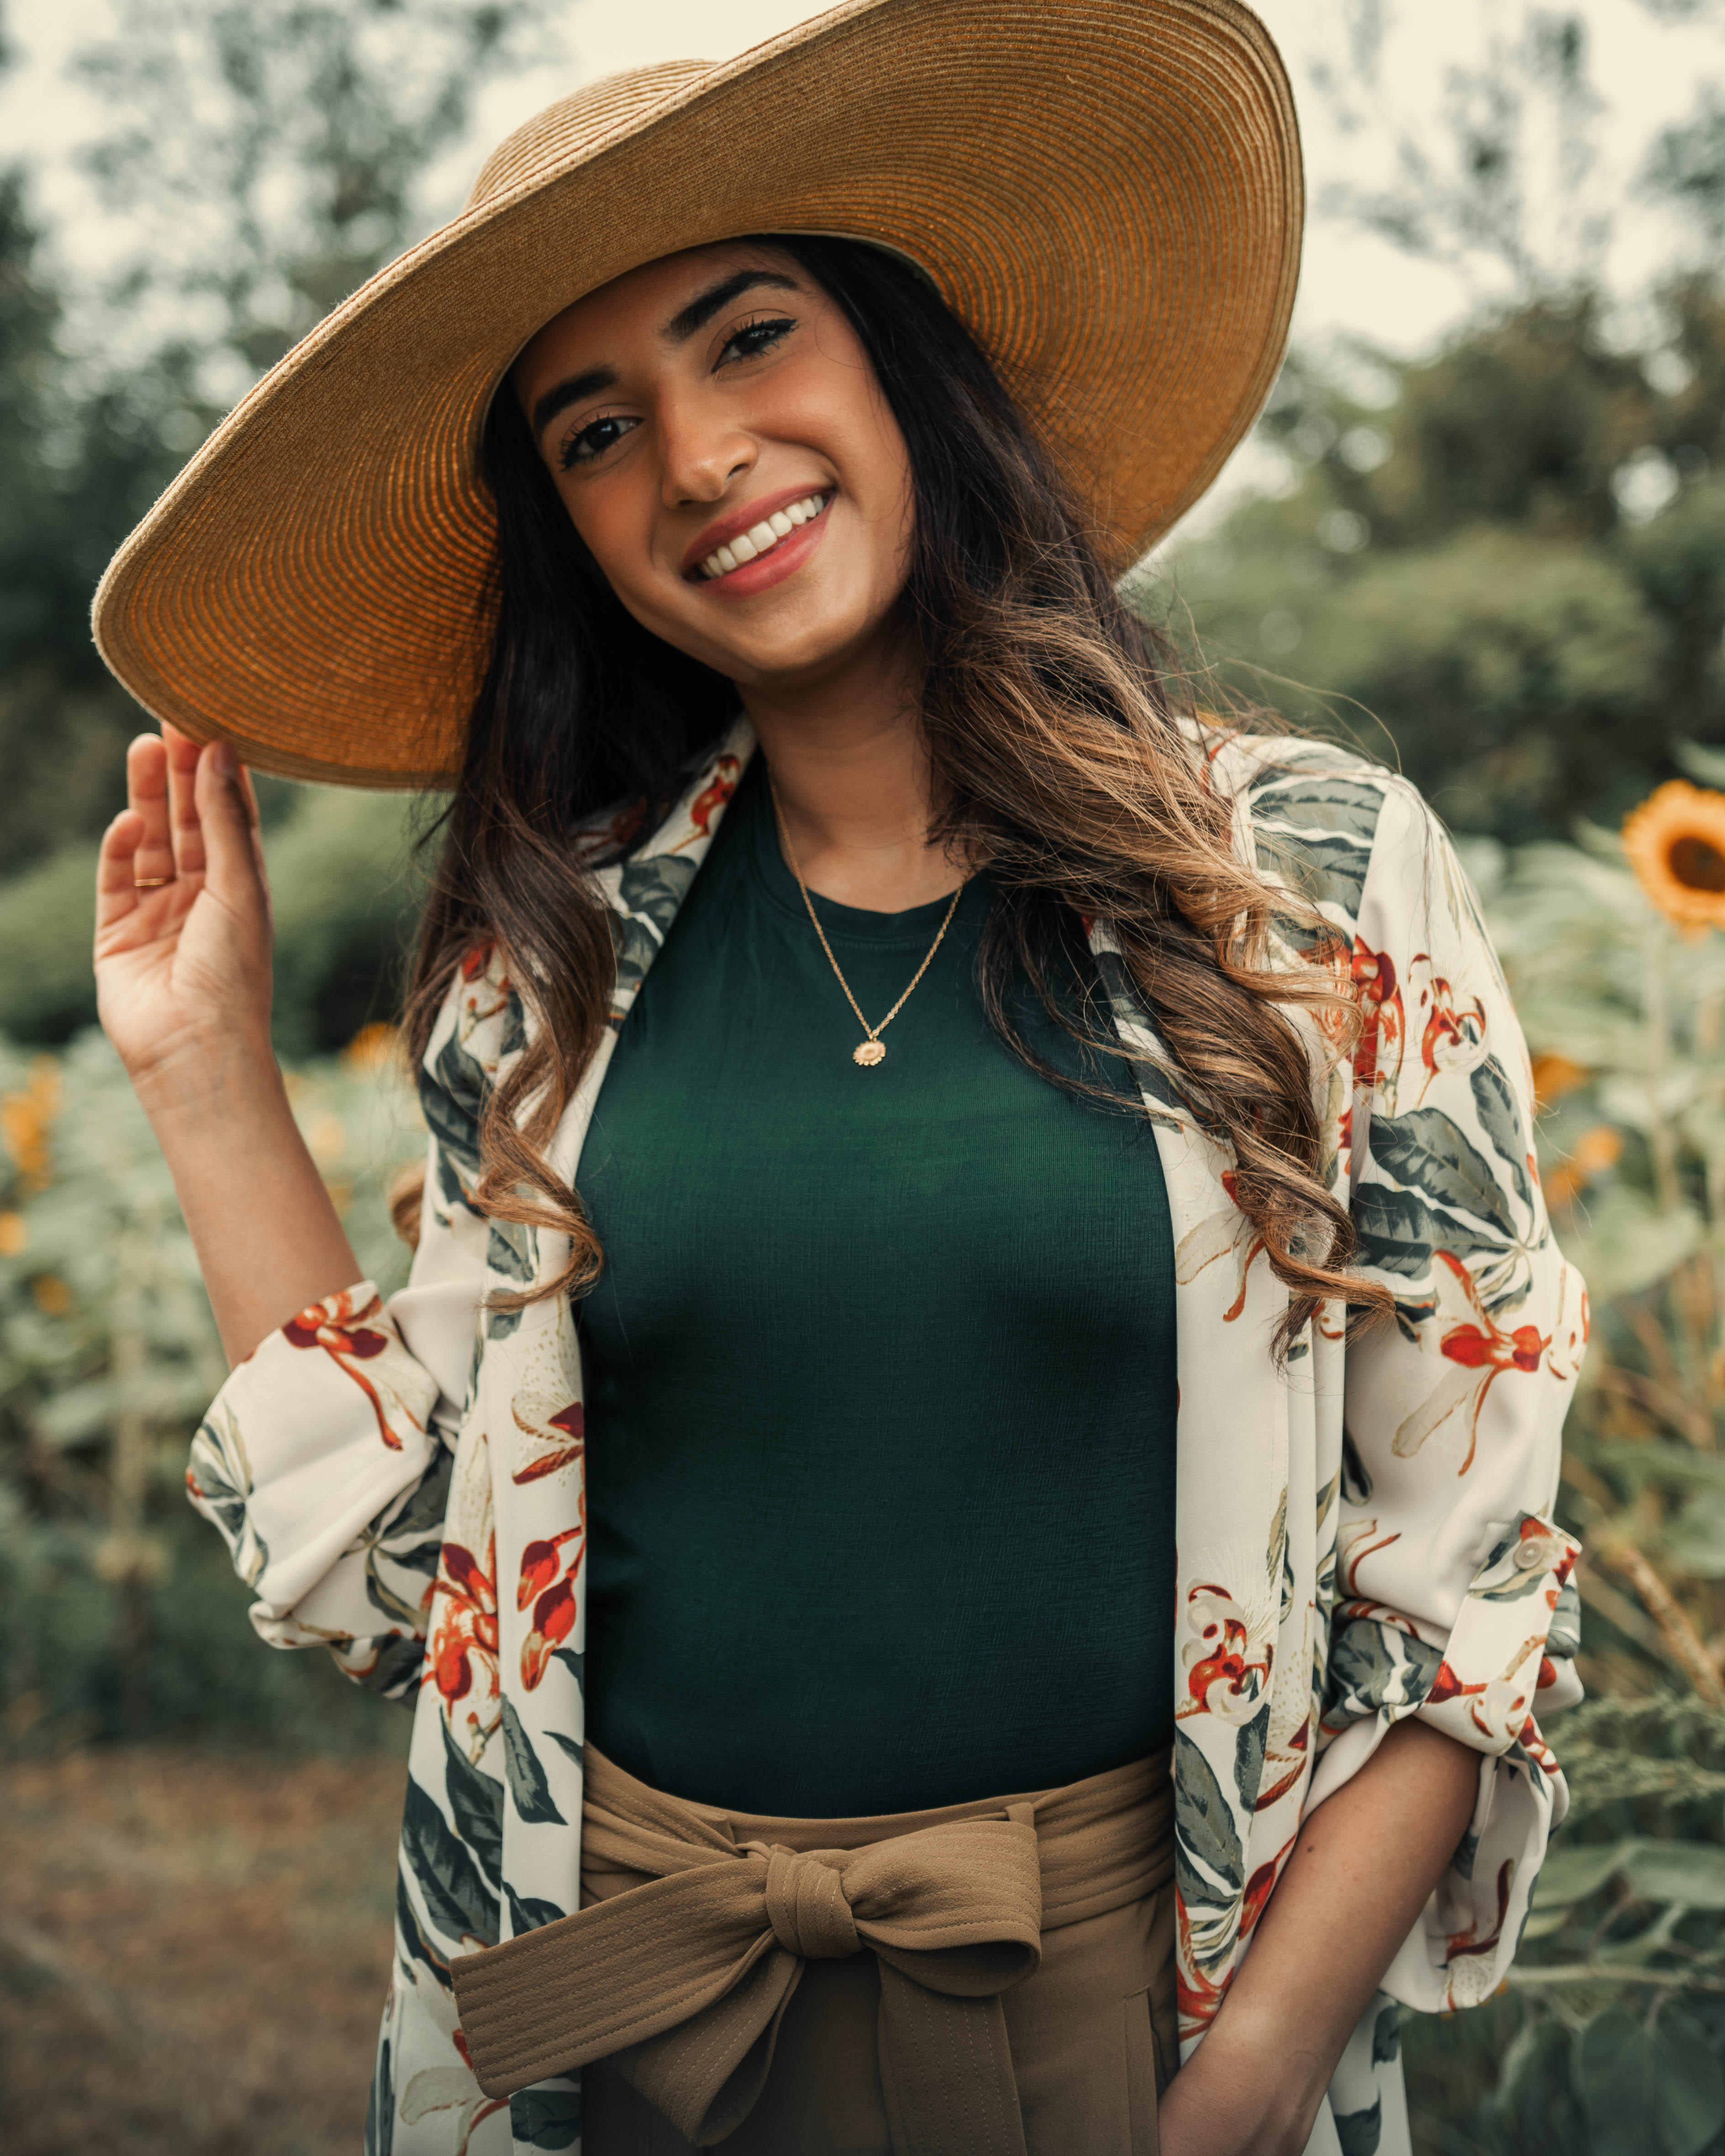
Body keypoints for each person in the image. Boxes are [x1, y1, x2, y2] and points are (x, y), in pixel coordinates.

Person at [89, 4, 1588, 2153]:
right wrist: (202, 1065)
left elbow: (1469, 1574)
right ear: (570, 530)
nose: (697, 457)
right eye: (596, 431)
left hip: (1127, 2017)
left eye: (748, 337)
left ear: (901, 358)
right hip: (615, 1998)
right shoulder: (555, 971)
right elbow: (429, 1580)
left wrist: (1243, 2080)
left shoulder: (1311, 879)